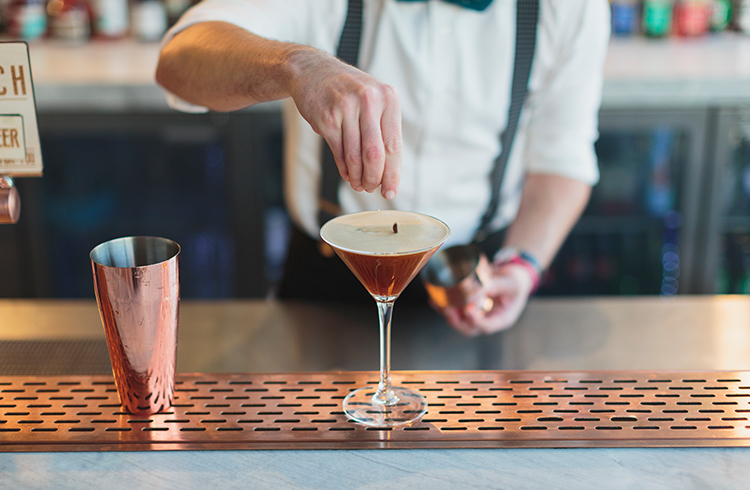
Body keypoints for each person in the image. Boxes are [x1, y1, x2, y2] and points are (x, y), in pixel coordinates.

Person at [156, 0, 611, 336]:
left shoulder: (568, 8)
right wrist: (297, 66)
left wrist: (523, 263)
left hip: (470, 280)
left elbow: (561, 160)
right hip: (326, 285)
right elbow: (179, 58)